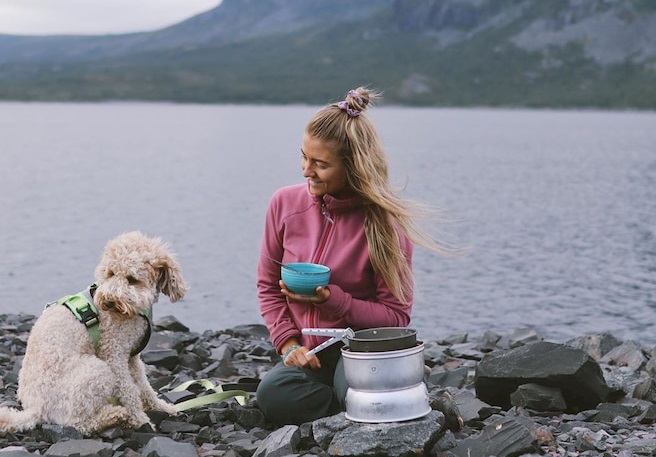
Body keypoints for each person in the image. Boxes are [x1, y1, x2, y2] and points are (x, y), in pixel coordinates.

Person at [255, 87, 455, 426]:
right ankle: (377, 407)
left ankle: (376, 405)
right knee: (272, 393)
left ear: (354, 167)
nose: (306, 170)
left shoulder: (385, 225)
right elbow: (267, 286)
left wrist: (333, 300)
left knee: (359, 389)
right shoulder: (284, 204)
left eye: (320, 164)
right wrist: (289, 345)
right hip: (311, 352)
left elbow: (395, 318)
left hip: (361, 352)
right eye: (304, 157)